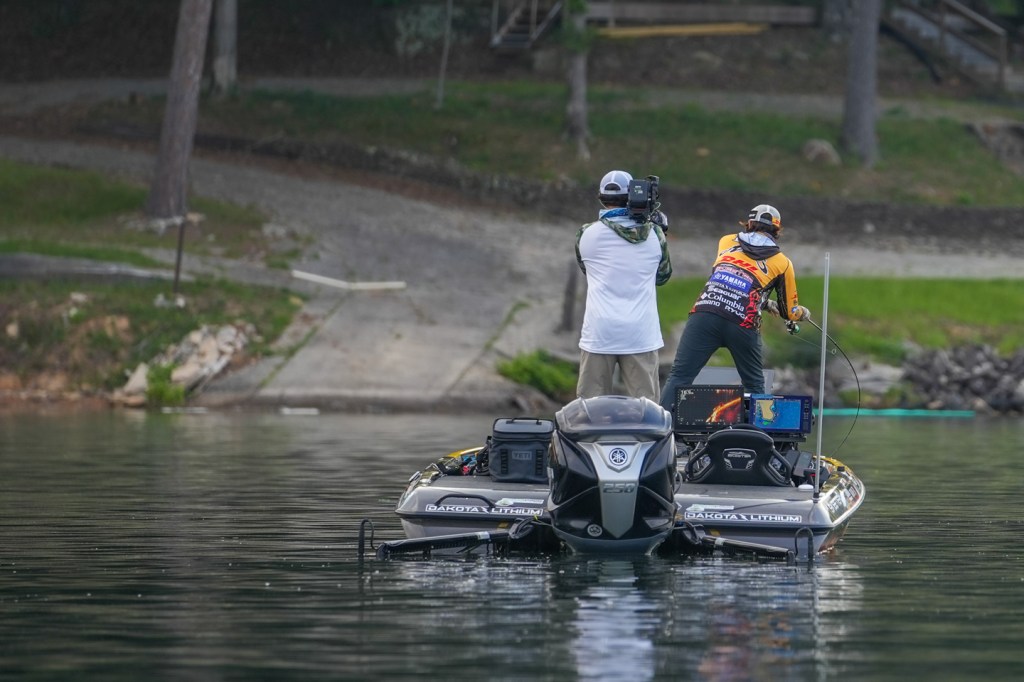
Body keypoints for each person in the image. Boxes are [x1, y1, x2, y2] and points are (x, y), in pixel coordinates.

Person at [659, 204, 810, 413]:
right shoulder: (783, 263)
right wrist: (802, 313)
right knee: (755, 385)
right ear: (777, 230)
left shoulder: (726, 241)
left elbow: (731, 277)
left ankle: (661, 427)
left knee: (680, 376)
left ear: (749, 223)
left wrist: (765, 302)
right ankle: (762, 427)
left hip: (706, 312)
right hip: (743, 323)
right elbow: (789, 312)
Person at [575, 169, 672, 401]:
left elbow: (586, 269)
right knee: (646, 411)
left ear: (601, 198)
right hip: (641, 334)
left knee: (589, 410)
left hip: (599, 333)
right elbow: (662, 276)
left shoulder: (585, 234)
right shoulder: (655, 235)